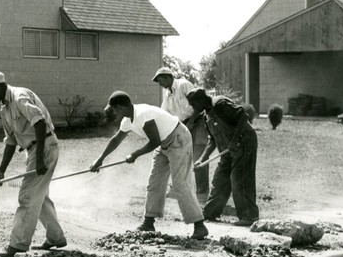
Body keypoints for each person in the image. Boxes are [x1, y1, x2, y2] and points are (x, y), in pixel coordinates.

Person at [90, 90, 209, 240]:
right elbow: (116, 140)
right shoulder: (127, 120)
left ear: (120, 107)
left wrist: (135, 154)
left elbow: (154, 142)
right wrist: (100, 160)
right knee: (155, 182)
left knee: (180, 183)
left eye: (113, 109)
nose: (113, 113)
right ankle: (148, 222)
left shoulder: (142, 115)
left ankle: (199, 226)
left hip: (178, 138)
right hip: (164, 143)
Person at [0, 71, 66, 257]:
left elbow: (40, 124)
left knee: (27, 197)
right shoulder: (4, 109)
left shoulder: (19, 97)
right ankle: (56, 238)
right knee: (38, 197)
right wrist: (1, 171)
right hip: (33, 150)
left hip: (44, 147)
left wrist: (39, 159)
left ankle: (17, 246)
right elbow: (11, 140)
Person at [186, 88, 259, 227]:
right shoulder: (206, 116)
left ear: (200, 101)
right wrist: (202, 158)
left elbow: (243, 115)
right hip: (227, 149)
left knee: (239, 178)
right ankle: (210, 212)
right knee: (220, 178)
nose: (192, 108)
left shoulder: (219, 104)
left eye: (193, 104)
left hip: (244, 143)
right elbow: (213, 140)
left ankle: (250, 216)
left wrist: (235, 139)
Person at [152, 67, 210, 201]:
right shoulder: (167, 95)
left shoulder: (183, 85)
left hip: (199, 121)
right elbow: (164, 113)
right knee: (179, 156)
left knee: (198, 156)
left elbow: (199, 104)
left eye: (159, 80)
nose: (159, 83)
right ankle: (178, 188)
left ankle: (202, 193)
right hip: (182, 125)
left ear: (167, 77)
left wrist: (192, 122)